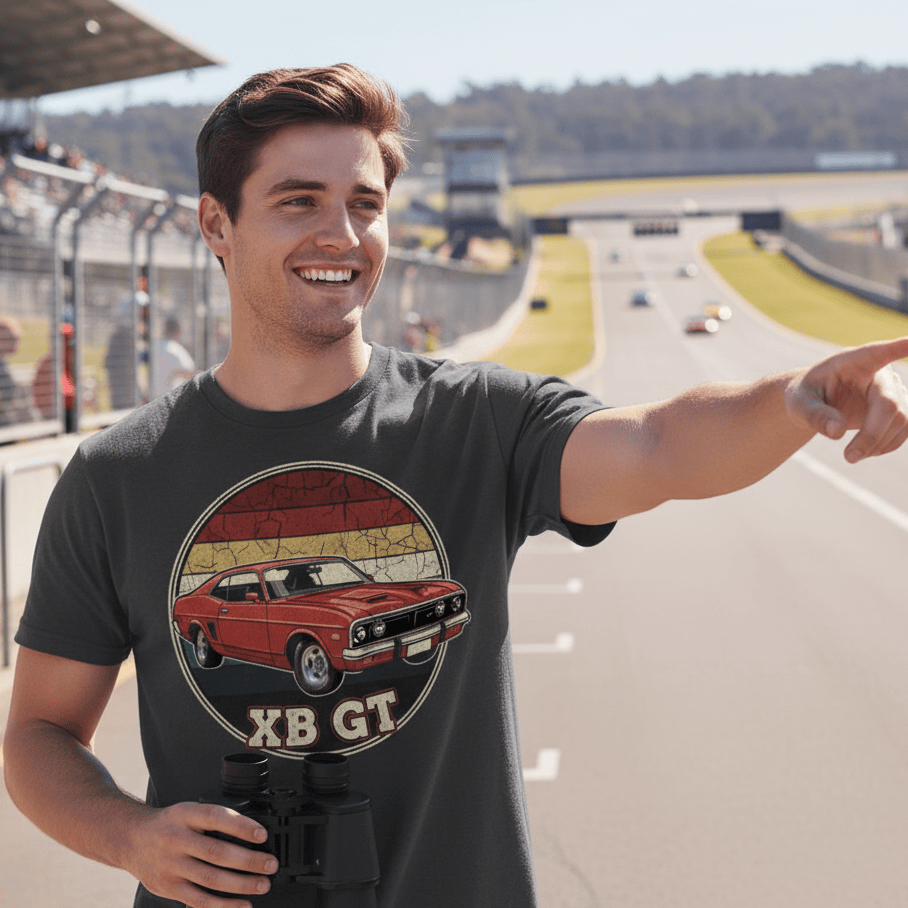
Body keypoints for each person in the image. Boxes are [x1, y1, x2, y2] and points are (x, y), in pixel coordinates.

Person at [4, 64, 908, 908]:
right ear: (215, 225)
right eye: (299, 202)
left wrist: (796, 400)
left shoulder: (477, 420)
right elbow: (37, 736)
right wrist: (132, 838)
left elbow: (661, 444)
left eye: (366, 202)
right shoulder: (119, 473)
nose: (342, 235)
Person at [151, 316, 196, 398]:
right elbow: (190, 373)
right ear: (177, 331)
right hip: (170, 400)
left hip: (152, 398)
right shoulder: (174, 348)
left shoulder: (155, 346)